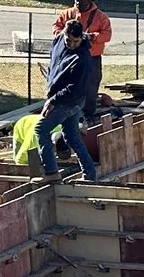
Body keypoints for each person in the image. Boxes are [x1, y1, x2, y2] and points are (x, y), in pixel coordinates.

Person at [34, 22, 102, 182]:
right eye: (68, 40)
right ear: (64, 34)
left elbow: (74, 89)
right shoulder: (58, 41)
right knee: (72, 136)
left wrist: (53, 100)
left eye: (75, 42)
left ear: (81, 38)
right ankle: (90, 174)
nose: (71, 44)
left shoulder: (83, 58)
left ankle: (51, 173)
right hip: (66, 100)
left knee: (41, 130)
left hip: (70, 101)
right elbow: (54, 62)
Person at [52, 0, 112, 78]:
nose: (79, 3)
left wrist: (91, 36)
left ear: (90, 1)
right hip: (68, 55)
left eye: (83, 0)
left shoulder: (101, 17)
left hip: (92, 57)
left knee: (90, 87)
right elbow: (56, 27)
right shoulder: (66, 13)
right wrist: (64, 35)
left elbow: (107, 35)